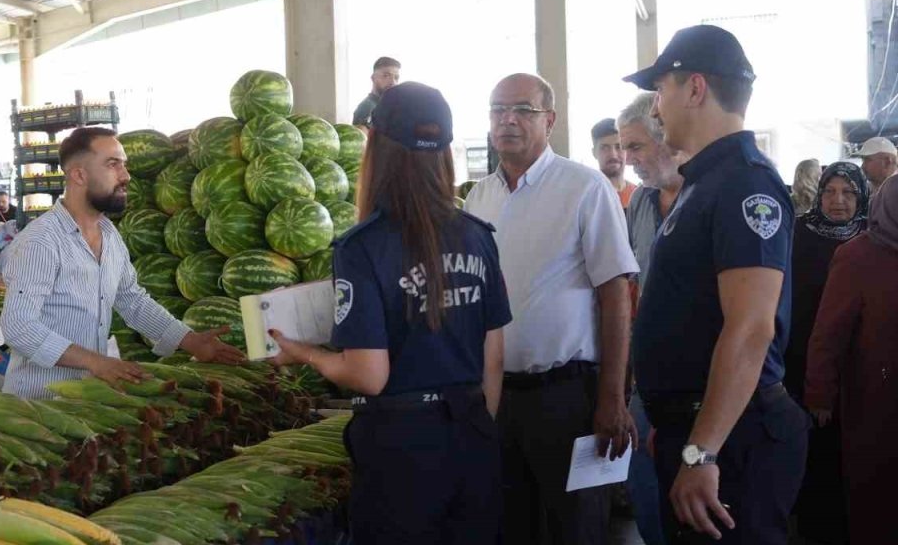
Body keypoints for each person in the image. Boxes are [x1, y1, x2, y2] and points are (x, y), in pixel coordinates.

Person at [271, 82, 510, 544]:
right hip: (474, 435)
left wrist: (304, 353)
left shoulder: (363, 247)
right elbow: (493, 356)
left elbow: (368, 375)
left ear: (376, 150)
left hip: (402, 451)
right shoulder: (477, 235)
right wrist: (475, 432)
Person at [625, 24, 809, 543]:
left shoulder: (745, 182)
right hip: (702, 426)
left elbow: (751, 329)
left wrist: (700, 450)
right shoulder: (704, 182)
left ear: (696, 88)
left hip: (734, 439)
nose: (656, 109)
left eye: (660, 91)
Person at [465, 73, 639, 545]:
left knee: (577, 528)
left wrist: (612, 396)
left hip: (568, 398)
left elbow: (615, 294)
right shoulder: (479, 198)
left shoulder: (584, 188)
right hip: (498, 399)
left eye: (523, 110)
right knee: (510, 525)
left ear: (551, 120)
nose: (508, 120)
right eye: (498, 110)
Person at [0, 127, 246, 399]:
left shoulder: (109, 234)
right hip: (37, 405)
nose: (126, 176)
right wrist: (95, 362)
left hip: (86, 400)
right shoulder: (41, 241)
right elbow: (18, 327)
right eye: (113, 164)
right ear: (79, 175)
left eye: (124, 165)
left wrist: (190, 341)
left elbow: (133, 300)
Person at [805, 173, 898, 545]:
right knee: (878, 493)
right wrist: (819, 394)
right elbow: (828, 332)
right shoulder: (858, 255)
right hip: (876, 400)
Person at [782, 162, 868, 545]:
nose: (838, 201)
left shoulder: (871, 236)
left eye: (848, 193)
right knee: (812, 446)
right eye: (830, 191)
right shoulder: (799, 233)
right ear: (818, 194)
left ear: (862, 197)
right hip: (802, 357)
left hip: (859, 364)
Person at [617, 91, 680, 545]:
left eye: (635, 147)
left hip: (700, 381)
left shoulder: (705, 195)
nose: (627, 158)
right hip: (647, 377)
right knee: (642, 483)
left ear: (667, 137)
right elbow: (628, 286)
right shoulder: (640, 203)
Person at [591, 117, 638, 210]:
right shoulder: (588, 197)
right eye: (605, 148)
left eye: (618, 146)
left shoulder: (639, 196)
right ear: (594, 153)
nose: (613, 155)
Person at [352, 57, 401, 127]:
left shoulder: (387, 106)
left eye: (396, 77)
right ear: (373, 78)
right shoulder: (367, 108)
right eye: (386, 76)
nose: (393, 82)